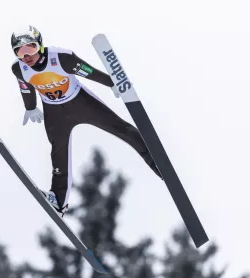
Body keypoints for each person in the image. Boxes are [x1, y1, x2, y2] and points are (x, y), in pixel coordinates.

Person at [11, 25, 162, 217]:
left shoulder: (61, 58)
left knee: (121, 128)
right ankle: (58, 201)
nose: (26, 56)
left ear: (40, 45)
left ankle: (158, 163)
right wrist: (30, 107)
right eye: (20, 52)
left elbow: (88, 71)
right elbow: (26, 87)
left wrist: (112, 83)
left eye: (30, 49)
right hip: (55, 113)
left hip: (81, 103)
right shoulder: (19, 69)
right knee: (58, 154)